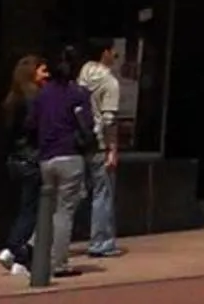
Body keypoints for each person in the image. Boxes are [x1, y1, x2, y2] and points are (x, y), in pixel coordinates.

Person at [27, 44, 98, 278]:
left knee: (48, 208)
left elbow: (31, 124)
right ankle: (58, 263)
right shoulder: (78, 94)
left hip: (47, 156)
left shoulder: (42, 94)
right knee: (64, 211)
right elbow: (87, 126)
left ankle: (34, 253)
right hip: (70, 155)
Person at [0, 55, 47, 274]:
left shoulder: (11, 99)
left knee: (27, 207)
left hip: (16, 160)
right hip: (30, 160)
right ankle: (14, 248)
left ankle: (17, 254)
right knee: (30, 210)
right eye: (42, 71)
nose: (46, 75)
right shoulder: (34, 99)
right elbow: (37, 131)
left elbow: (7, 134)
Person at [77, 40, 124, 258]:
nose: (116, 56)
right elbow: (109, 120)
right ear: (105, 52)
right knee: (102, 194)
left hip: (79, 142)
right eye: (114, 52)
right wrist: (113, 149)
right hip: (98, 144)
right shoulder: (110, 82)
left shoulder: (84, 72)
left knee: (71, 195)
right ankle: (101, 241)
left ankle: (42, 240)